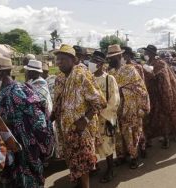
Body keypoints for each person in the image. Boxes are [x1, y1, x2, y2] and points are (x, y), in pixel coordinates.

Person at [0, 56, 54, 187]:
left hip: (26, 147)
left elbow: (39, 119)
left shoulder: (18, 91)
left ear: (3, 72)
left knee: (29, 180)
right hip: (13, 146)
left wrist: (11, 124)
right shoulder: (4, 92)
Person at [51, 44, 106, 188]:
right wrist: (52, 116)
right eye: (58, 59)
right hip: (65, 128)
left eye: (63, 59)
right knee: (72, 158)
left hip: (82, 128)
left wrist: (85, 119)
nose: (59, 62)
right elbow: (58, 100)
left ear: (74, 60)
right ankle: (78, 182)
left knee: (83, 161)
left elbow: (100, 101)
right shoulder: (60, 78)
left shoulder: (82, 74)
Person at [107, 44, 150, 168]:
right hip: (116, 110)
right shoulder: (110, 72)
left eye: (113, 57)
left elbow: (140, 89)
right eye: (109, 58)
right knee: (119, 134)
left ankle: (134, 157)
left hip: (131, 108)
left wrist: (122, 91)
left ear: (120, 56)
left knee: (132, 133)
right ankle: (121, 156)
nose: (110, 60)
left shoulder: (130, 70)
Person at [143, 45, 176, 149]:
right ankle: (148, 140)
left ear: (151, 53)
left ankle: (166, 139)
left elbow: (164, 78)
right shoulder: (147, 64)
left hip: (161, 95)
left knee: (163, 118)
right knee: (149, 118)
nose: (145, 54)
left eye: (146, 52)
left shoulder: (161, 63)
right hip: (150, 94)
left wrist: (152, 74)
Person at [89, 50, 120, 182]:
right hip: (92, 119)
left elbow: (115, 100)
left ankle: (110, 169)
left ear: (101, 64)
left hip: (106, 118)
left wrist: (101, 112)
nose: (91, 64)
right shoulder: (88, 78)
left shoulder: (109, 78)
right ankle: (94, 166)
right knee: (93, 145)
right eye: (92, 61)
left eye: (95, 62)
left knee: (108, 145)